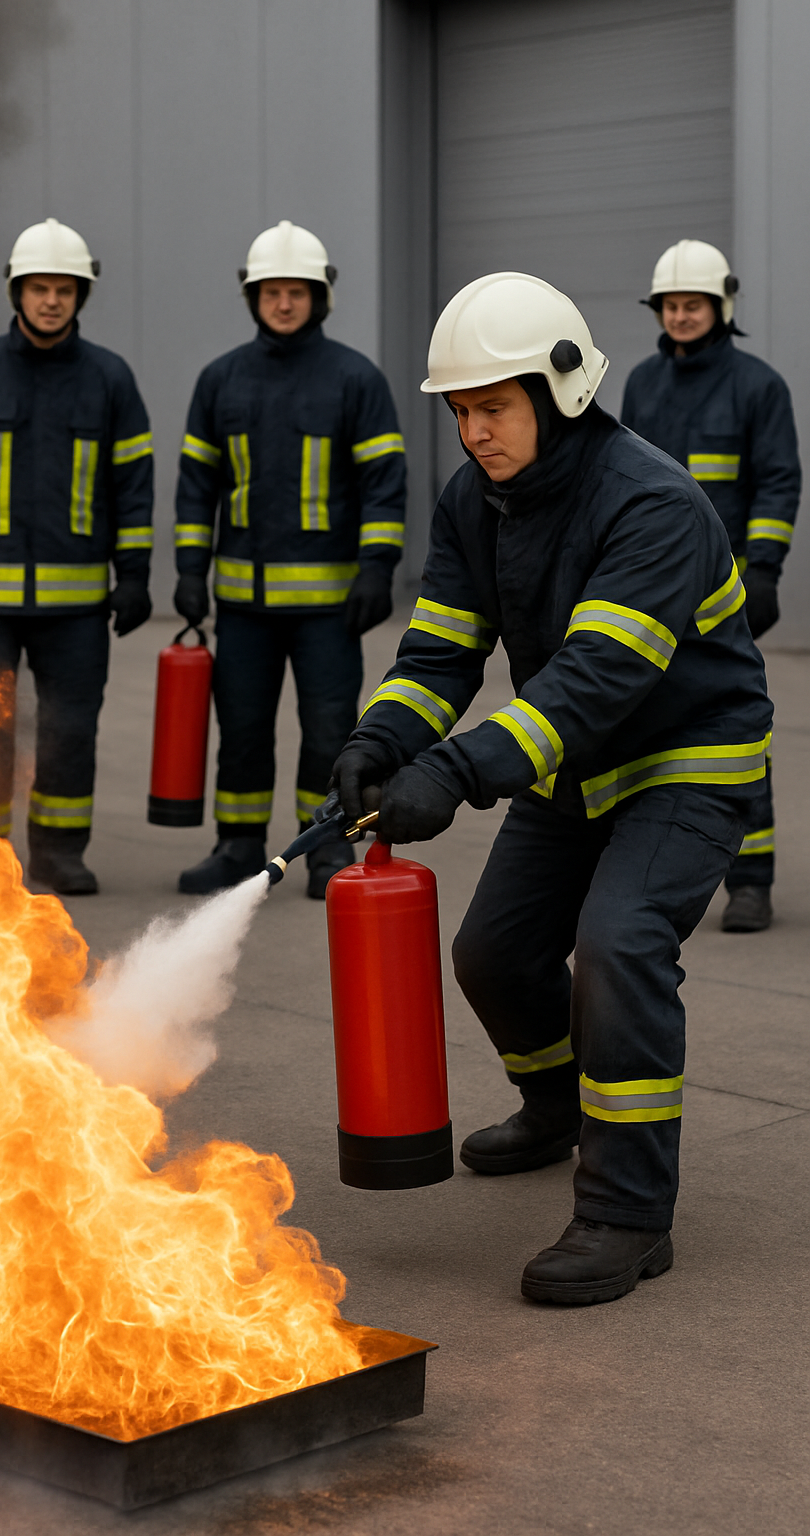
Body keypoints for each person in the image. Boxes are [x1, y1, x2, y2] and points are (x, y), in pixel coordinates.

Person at [328, 272, 772, 1306]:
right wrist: (380, 740)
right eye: (460, 412)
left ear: (562, 390)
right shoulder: (474, 501)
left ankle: (627, 1213)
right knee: (492, 951)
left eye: (493, 408)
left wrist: (455, 771)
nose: (473, 432)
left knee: (617, 945)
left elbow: (593, 680)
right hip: (576, 760)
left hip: (685, 759)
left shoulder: (652, 502)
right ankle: (557, 1106)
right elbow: (440, 651)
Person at [172, 220, 407, 900]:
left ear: (319, 297)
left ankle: (327, 847)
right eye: (271, 291)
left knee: (330, 731)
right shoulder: (220, 381)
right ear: (253, 297)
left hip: (328, 609)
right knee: (242, 729)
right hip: (243, 607)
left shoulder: (355, 379)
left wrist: (378, 566)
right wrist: (189, 569)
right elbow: (197, 487)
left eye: (296, 291)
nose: (283, 303)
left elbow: (383, 484)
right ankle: (238, 846)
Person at [0, 218, 154, 896]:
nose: (51, 301)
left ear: (81, 295)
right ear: (16, 292)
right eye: (39, 288)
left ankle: (57, 855)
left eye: (64, 289)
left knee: (69, 734)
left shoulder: (109, 379)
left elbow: (132, 486)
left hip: (76, 608)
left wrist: (134, 574)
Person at [621, 240, 800, 933]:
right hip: (653, 592)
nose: (681, 315)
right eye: (670, 305)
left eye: (693, 303)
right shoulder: (642, 383)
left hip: (728, 598)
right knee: (648, 728)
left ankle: (750, 881)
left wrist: (766, 568)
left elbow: (778, 481)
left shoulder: (759, 386)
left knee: (735, 730)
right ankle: (656, 873)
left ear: (721, 306)